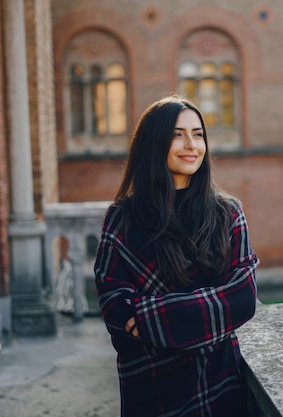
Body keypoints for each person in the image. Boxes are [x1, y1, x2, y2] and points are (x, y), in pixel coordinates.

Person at [93, 95, 259, 417]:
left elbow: (242, 297)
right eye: (177, 134)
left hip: (220, 383)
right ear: (154, 143)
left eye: (198, 134)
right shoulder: (124, 218)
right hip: (153, 386)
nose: (191, 145)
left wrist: (150, 319)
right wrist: (209, 314)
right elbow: (114, 304)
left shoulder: (227, 213)